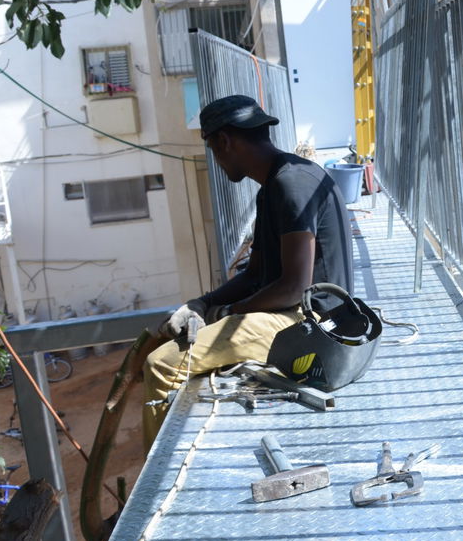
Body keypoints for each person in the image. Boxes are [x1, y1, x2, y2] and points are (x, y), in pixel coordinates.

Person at [142, 95, 354, 449]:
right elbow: (255, 275)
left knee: (161, 366)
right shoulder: (272, 188)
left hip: (310, 326)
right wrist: (200, 304)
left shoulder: (292, 184)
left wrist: (226, 313)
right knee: (171, 344)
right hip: (291, 315)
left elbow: (293, 288)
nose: (216, 161)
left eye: (212, 149)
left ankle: (155, 487)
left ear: (224, 141)